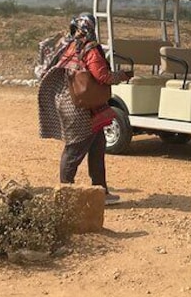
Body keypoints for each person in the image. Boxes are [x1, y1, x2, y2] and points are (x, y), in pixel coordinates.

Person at [37, 13, 131, 204]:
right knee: (74, 149)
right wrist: (122, 75)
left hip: (72, 102)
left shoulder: (69, 46)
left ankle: (100, 191)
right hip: (82, 108)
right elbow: (102, 76)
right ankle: (65, 193)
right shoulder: (90, 49)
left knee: (97, 146)